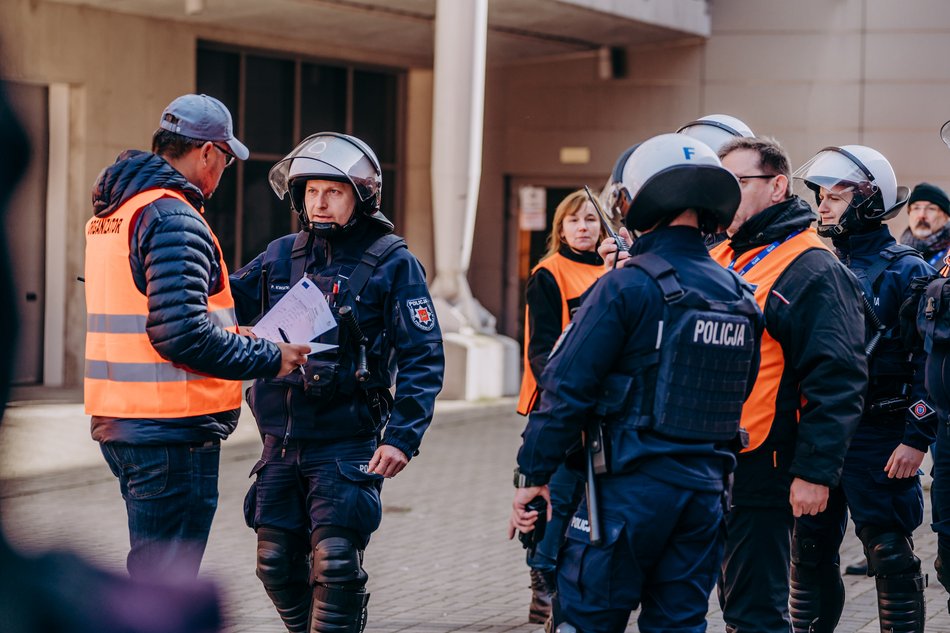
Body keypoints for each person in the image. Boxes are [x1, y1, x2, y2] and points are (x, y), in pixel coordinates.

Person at [509, 132, 763, 633]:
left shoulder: (626, 285)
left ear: (635, 199)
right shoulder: (738, 292)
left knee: (585, 621)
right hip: (706, 495)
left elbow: (565, 389)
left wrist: (531, 476)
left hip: (626, 492)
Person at [84, 93, 310, 581]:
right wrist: (270, 356)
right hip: (170, 430)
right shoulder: (172, 218)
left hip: (126, 420)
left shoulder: (116, 214)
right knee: (165, 588)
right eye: (226, 159)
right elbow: (182, 335)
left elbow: (158, 317)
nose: (223, 171)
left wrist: (235, 334)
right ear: (208, 152)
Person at [229, 132, 445, 633]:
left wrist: (402, 437)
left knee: (336, 565)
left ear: (362, 197)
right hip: (280, 444)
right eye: (310, 191)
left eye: (334, 191)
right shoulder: (280, 254)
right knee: (275, 564)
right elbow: (221, 301)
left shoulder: (394, 262)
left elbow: (423, 356)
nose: (319, 202)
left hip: (346, 444)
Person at [708, 136, 868, 633]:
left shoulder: (811, 266)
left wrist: (815, 472)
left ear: (777, 186)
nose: (724, 194)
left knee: (756, 612)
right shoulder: (725, 254)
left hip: (765, 465)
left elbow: (838, 377)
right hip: (713, 460)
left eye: (737, 182)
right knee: (730, 601)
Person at [790, 145, 936, 632]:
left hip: (882, 431)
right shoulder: (812, 264)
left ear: (870, 200)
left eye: (836, 196)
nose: (824, 206)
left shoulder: (908, 271)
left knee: (890, 552)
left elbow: (931, 365)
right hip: (818, 431)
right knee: (808, 552)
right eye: (822, 196)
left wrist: (916, 438)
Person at [516, 189, 605, 623]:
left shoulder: (616, 270)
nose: (584, 227)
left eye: (591, 219)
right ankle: (542, 579)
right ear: (561, 228)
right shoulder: (549, 273)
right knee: (557, 494)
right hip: (560, 403)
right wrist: (562, 395)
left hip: (606, 407)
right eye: (574, 221)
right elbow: (541, 349)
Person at [900, 182, 950, 267]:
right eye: (916, 208)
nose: (921, 215)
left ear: (946, 217)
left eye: (931, 208)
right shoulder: (896, 255)